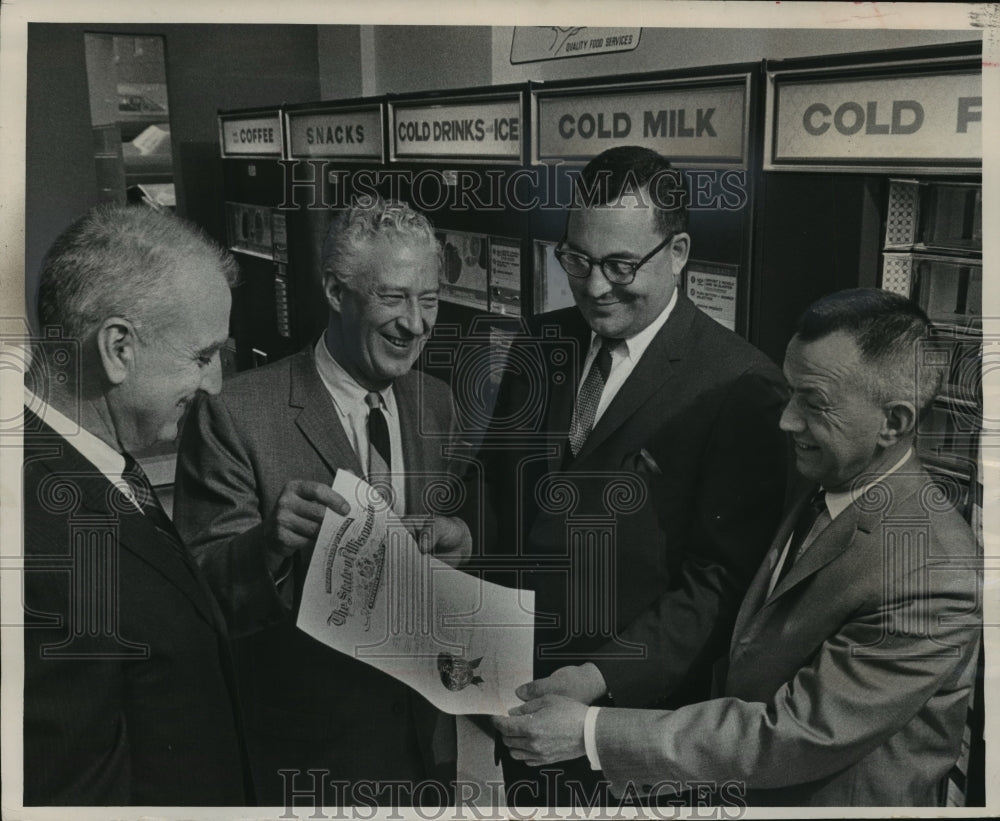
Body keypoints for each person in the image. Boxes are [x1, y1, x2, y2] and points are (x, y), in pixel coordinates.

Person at [494, 288, 981, 807]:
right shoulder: (818, 481)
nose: (787, 420)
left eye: (814, 404)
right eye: (791, 392)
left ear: (894, 423)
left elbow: (793, 734)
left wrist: (591, 732)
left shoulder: (932, 571)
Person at [477, 145, 788, 804]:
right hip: (522, 708)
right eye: (578, 259)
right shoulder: (544, 340)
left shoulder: (740, 385)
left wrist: (596, 677)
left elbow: (719, 581)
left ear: (677, 252)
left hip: (632, 738)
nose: (593, 287)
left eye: (620, 265)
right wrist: (459, 527)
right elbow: (497, 480)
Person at [173, 198, 469, 807]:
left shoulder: (436, 403)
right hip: (308, 756)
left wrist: (459, 542)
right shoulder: (234, 413)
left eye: (429, 299)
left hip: (424, 747)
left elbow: (428, 557)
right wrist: (269, 546)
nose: (415, 324)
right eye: (393, 298)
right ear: (336, 291)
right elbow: (200, 599)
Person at [22, 204, 250, 805]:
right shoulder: (45, 546)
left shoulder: (94, 457)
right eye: (202, 356)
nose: (214, 385)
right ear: (118, 347)